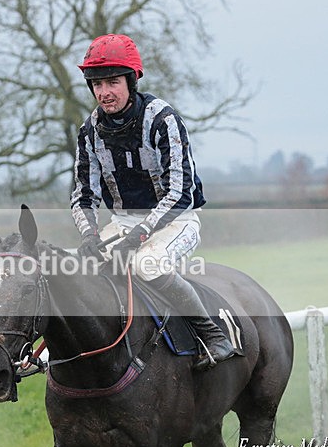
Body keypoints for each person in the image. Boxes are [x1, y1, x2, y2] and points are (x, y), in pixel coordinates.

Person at [70, 33, 238, 369]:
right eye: (97, 84)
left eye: (112, 82)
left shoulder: (163, 120)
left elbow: (180, 193)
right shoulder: (89, 131)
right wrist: (89, 235)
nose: (104, 92)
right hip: (123, 224)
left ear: (131, 81)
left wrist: (140, 234)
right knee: (79, 270)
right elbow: (83, 196)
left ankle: (213, 335)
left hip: (176, 220)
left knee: (147, 264)